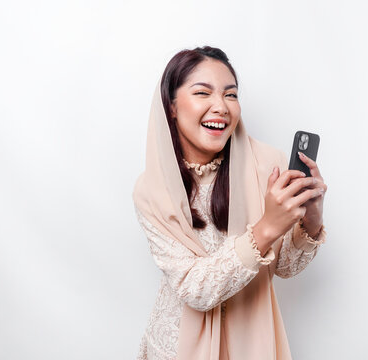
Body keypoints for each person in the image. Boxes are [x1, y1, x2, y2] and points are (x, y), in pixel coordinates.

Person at [133, 46, 328, 360]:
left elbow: (286, 268)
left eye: (230, 94)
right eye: (202, 93)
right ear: (171, 105)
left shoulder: (269, 165)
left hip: (252, 341)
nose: (220, 107)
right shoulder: (151, 190)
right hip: (179, 348)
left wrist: (312, 219)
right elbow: (194, 288)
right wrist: (266, 228)